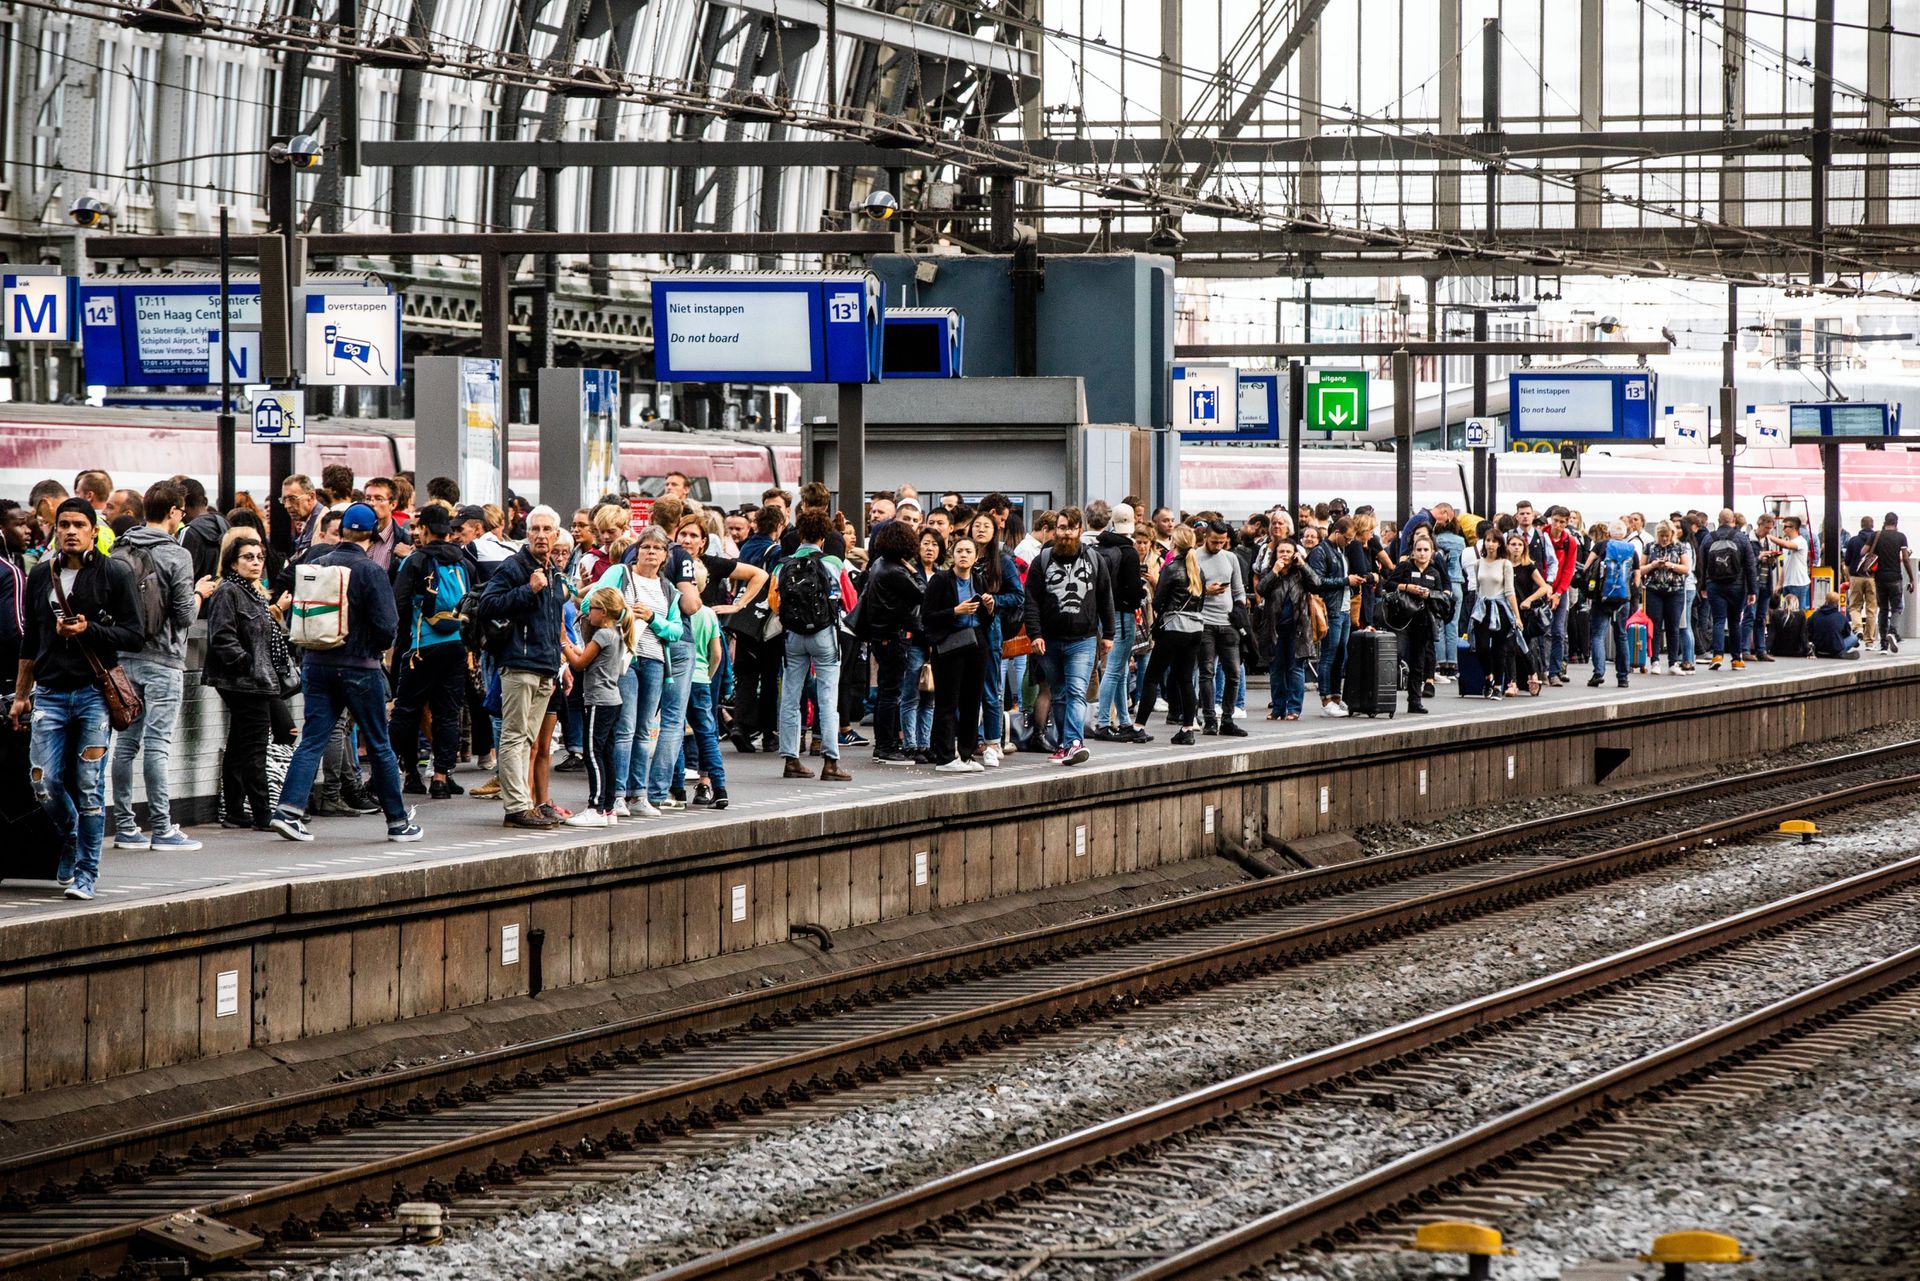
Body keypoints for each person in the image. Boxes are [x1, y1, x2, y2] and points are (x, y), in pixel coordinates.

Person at [9, 499, 143, 899]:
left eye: (79, 525)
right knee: (44, 783)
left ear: (93, 531)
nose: (70, 531)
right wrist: (21, 696)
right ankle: (71, 837)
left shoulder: (113, 574)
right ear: (55, 530)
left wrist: (88, 631)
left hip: (92, 696)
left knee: (89, 786)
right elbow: (30, 639)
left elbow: (134, 635)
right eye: (63, 524)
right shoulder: (40, 575)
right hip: (48, 694)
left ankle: (87, 872)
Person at [266, 504, 423, 844]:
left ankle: (288, 812)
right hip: (359, 666)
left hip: (316, 664)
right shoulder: (370, 570)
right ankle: (398, 822)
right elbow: (387, 625)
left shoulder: (317, 564)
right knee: (380, 744)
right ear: (370, 532)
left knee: (312, 740)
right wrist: (375, 647)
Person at [107, 480, 203, 852]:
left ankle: (127, 827)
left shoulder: (119, 547)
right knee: (158, 745)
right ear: (176, 512)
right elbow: (183, 616)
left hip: (125, 660)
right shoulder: (177, 555)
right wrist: (198, 594)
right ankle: (162, 828)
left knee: (126, 744)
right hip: (163, 660)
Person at [476, 505, 569, 828]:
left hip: (544, 666)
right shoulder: (514, 567)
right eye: (535, 529)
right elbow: (488, 605)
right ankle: (517, 807)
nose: (541, 535)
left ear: (557, 535)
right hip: (519, 663)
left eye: (547, 530)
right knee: (515, 736)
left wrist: (559, 665)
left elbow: (554, 623)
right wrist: (527, 589)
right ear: (526, 534)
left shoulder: (555, 572)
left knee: (527, 739)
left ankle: (525, 803)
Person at [202, 532, 291, 830]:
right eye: (248, 557)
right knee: (254, 747)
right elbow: (222, 637)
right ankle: (264, 813)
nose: (256, 563)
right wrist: (248, 665)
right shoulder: (229, 591)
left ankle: (236, 811)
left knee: (241, 744)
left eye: (259, 557)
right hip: (243, 681)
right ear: (231, 563)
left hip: (256, 679)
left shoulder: (253, 592)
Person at [388, 504, 472, 800]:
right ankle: (440, 777)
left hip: (421, 646)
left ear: (424, 529)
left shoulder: (415, 561)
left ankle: (397, 772)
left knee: (406, 710)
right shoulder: (462, 561)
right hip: (455, 645)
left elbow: (398, 605)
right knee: (447, 712)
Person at [1021, 506, 1115, 765]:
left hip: (1083, 640)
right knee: (1059, 694)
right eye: (1061, 528)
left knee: (1075, 691)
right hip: (1049, 640)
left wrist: (1109, 633)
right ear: (1054, 529)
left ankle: (1074, 743)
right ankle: (1065, 744)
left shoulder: (1094, 560)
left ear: (1079, 530)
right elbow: (1031, 601)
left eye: (1071, 528)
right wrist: (1035, 634)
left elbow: (1105, 598)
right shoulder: (1042, 560)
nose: (1065, 533)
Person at [776, 507, 853, 781]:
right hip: (824, 635)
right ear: (823, 537)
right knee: (827, 698)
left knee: (790, 698)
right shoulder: (833, 563)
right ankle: (830, 763)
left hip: (793, 636)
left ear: (800, 534)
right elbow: (848, 600)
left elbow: (775, 603)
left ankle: (791, 759)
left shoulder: (782, 564)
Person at [559, 585, 635, 827]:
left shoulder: (602, 634)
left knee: (592, 752)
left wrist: (563, 644)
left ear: (602, 611)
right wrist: (572, 647)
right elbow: (588, 655)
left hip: (598, 700)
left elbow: (580, 664)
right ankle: (609, 807)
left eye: (590, 609)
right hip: (612, 700)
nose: (587, 613)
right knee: (606, 754)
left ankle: (596, 807)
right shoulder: (617, 632)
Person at [860, 519, 925, 765]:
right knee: (892, 693)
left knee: (886, 692)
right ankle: (887, 745)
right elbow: (922, 592)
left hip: (881, 635)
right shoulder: (896, 571)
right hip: (895, 635)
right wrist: (913, 571)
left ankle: (883, 743)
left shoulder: (878, 564)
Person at [923, 534, 989, 772]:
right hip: (949, 645)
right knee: (947, 702)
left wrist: (989, 608)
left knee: (972, 700)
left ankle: (966, 754)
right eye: (960, 551)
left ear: (976, 556)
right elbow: (927, 616)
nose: (964, 555)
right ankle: (945, 757)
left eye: (968, 552)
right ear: (953, 555)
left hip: (976, 644)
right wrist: (955, 611)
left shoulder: (979, 581)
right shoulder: (941, 580)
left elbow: (986, 619)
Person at [967, 511, 1025, 765]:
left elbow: (1018, 596)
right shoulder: (962, 555)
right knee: (964, 690)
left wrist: (995, 600)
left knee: (990, 688)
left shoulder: (1002, 560)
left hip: (990, 628)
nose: (980, 530)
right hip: (962, 629)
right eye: (976, 526)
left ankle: (993, 742)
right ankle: (967, 741)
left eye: (986, 526)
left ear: (994, 532)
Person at [1090, 501, 1146, 743]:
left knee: (1119, 669)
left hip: (1105, 613)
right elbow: (1134, 591)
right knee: (1114, 670)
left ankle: (1123, 720)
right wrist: (1141, 594)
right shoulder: (1129, 552)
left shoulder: (1101, 547)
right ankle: (1103, 721)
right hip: (1123, 615)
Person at [1255, 538, 1320, 720]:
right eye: (1281, 551)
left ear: (1295, 554)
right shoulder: (1270, 572)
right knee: (1276, 670)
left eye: (1288, 552)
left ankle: (1294, 709)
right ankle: (1277, 708)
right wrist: (1274, 572)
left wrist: (1304, 565)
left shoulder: (1300, 574)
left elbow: (1316, 584)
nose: (1284, 555)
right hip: (1274, 629)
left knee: (1295, 669)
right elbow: (1261, 589)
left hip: (1297, 629)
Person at [1385, 531, 1446, 714]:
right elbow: (1388, 585)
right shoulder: (1404, 567)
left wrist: (1429, 594)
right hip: (1402, 621)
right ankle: (1387, 698)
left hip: (1423, 620)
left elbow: (1441, 595)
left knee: (1418, 662)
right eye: (1418, 549)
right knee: (1397, 654)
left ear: (1432, 552)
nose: (1421, 553)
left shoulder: (1434, 573)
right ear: (1413, 551)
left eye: (1425, 550)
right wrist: (1406, 587)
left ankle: (1415, 701)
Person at [683, 571, 729, 807]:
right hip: (702, 678)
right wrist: (708, 675)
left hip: (679, 678)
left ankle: (675, 789)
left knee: (675, 731)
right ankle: (719, 787)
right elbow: (718, 654)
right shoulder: (709, 613)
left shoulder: (677, 610)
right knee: (707, 734)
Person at [1700, 509, 1758, 669]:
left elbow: (1701, 565)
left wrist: (1702, 587)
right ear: (1733, 521)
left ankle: (1717, 655)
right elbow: (1750, 566)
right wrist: (1752, 590)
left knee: (1718, 620)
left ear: (1718, 521)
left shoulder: (1708, 538)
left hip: (1715, 585)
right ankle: (1736, 659)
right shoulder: (1741, 538)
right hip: (1737, 586)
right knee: (1734, 622)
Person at [1587, 520, 1641, 688]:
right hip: (1623, 599)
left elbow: (1587, 567)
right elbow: (1637, 576)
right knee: (1622, 636)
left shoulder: (1601, 545)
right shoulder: (1631, 550)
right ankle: (1623, 677)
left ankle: (1598, 672)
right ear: (1624, 534)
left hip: (1602, 598)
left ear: (1608, 533)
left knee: (1598, 636)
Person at [1470, 524, 1521, 700]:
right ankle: (1488, 677)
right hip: (1482, 607)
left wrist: (1516, 616)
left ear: (1500, 544)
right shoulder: (1478, 563)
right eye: (1488, 541)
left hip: (1499, 608)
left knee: (1499, 649)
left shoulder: (1506, 564)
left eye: (1494, 541)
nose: (1490, 544)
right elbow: (1477, 588)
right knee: (1481, 647)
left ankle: (1498, 685)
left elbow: (1509, 591)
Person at [1639, 521, 1693, 675]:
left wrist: (1671, 566)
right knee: (1655, 627)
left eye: (1667, 536)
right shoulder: (1650, 547)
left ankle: (1673, 662)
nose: (1664, 539)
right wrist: (1653, 565)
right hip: (1653, 591)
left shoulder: (1679, 547)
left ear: (1672, 535)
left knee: (1673, 627)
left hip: (1674, 591)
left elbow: (1686, 569)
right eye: (1662, 536)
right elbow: (1641, 569)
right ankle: (1655, 661)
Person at [1871, 511, 1914, 651]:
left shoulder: (1876, 535)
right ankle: (1892, 631)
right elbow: (1906, 558)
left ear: (1885, 522)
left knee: (1883, 609)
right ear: (1896, 523)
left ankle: (1883, 644)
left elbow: (1863, 552)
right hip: (1895, 577)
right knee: (1897, 607)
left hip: (1879, 578)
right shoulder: (1901, 537)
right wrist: (1912, 578)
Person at [1845, 516, 1881, 649]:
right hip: (1872, 578)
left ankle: (1858, 628)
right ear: (1872, 525)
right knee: (1871, 609)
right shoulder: (1878, 541)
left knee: (1854, 606)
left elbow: (1847, 561)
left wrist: (1849, 577)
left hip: (1856, 577)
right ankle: (1869, 642)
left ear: (1861, 525)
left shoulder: (1853, 540)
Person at [1809, 594, 1861, 658]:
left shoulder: (1815, 614)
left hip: (1818, 649)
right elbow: (1846, 633)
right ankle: (1841, 652)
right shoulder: (1841, 617)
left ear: (1826, 600)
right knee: (1854, 637)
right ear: (1837, 603)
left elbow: (1808, 629)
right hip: (1835, 649)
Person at [281, 474, 323, 551]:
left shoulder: (323, 525)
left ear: (311, 497)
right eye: (284, 500)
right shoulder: (312, 523)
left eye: (292, 499)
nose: (287, 505)